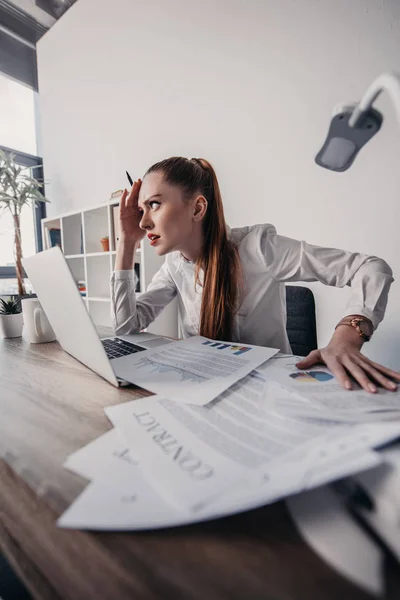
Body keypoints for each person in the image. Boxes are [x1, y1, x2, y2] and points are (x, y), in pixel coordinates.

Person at [111, 156, 400, 394]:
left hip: (271, 395)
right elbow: (126, 327)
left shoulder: (258, 248)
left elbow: (371, 267)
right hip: (206, 390)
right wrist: (126, 243)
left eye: (154, 204)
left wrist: (347, 337)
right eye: (141, 209)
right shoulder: (174, 266)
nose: (144, 221)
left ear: (198, 208)